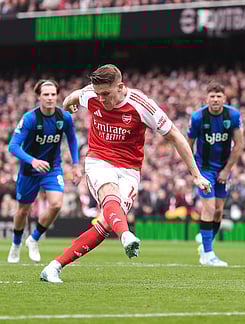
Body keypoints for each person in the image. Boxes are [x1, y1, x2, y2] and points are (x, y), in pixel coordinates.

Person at [40, 64, 211, 283]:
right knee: (109, 195)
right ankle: (126, 235)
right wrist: (68, 107)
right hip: (98, 160)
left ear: (120, 86)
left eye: (106, 94)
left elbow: (176, 136)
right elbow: (72, 98)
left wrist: (195, 174)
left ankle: (54, 266)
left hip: (130, 170)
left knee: (107, 223)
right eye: (98, 94)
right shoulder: (91, 94)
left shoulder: (141, 105)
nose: (101, 99)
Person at [7, 80, 81, 264]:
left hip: (52, 168)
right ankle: (16, 244)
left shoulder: (64, 118)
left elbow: (72, 140)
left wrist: (76, 164)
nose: (50, 98)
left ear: (57, 96)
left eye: (53, 94)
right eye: (46, 95)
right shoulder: (30, 119)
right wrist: (33, 160)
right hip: (29, 170)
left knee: (56, 204)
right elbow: (13, 146)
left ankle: (34, 238)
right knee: (23, 210)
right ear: (38, 96)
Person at [187, 81, 244, 266]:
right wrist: (195, 172)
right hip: (204, 169)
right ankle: (208, 254)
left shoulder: (233, 115)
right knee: (209, 208)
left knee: (218, 211)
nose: (215, 99)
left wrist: (227, 170)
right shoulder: (198, 118)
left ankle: (205, 245)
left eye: (219, 96)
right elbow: (187, 145)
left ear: (224, 98)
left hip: (223, 169)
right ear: (207, 98)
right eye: (212, 96)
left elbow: (239, 144)